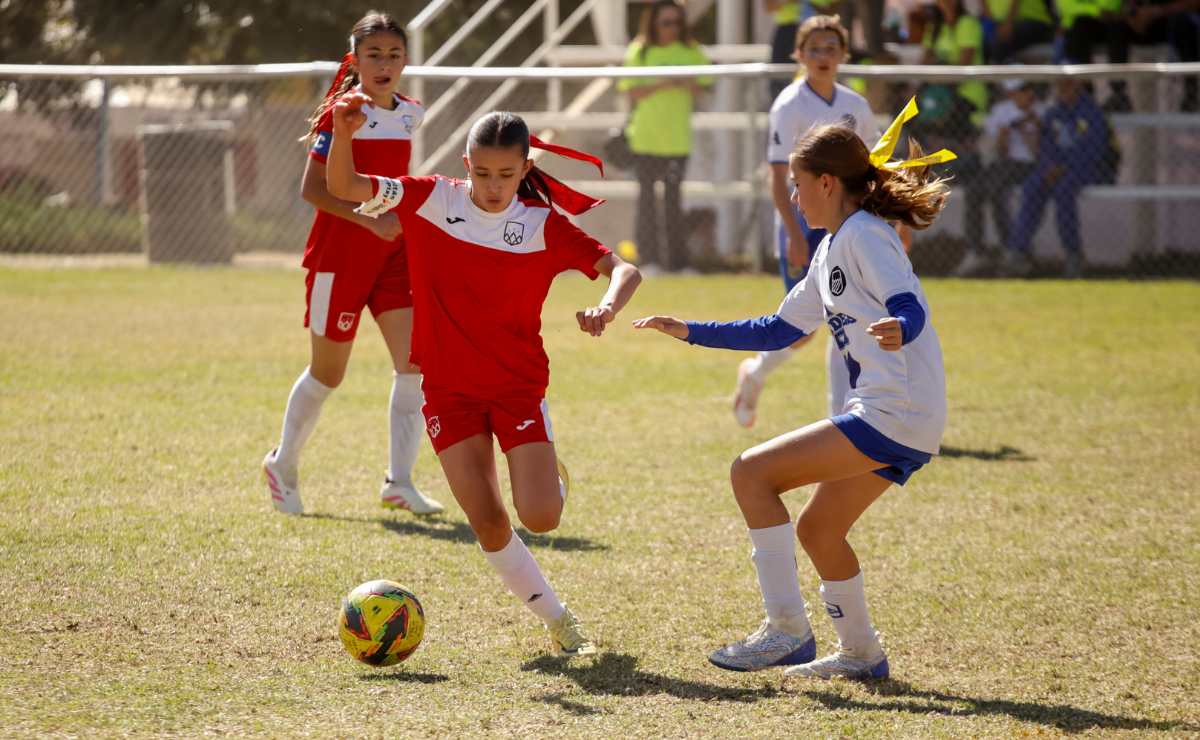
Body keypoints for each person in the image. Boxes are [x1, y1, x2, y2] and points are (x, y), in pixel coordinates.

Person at [634, 104, 951, 679]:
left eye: (797, 186)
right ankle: (861, 653)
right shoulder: (833, 246)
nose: (794, 198)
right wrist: (691, 331)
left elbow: (906, 299)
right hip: (902, 413)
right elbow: (778, 329)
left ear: (827, 183)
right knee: (817, 529)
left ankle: (785, 629)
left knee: (750, 474)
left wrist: (901, 325)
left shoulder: (864, 236)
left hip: (894, 410)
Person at [325, 98, 643, 656]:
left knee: (541, 517)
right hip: (447, 391)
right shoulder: (429, 198)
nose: (493, 186)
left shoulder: (542, 225)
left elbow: (623, 269)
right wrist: (343, 133)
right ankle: (559, 621)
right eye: (482, 172)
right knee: (489, 523)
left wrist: (609, 306)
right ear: (465, 162)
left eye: (506, 174)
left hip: (517, 386)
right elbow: (346, 186)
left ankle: (549, 472)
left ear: (525, 169)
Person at [262, 12, 443, 517]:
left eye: (394, 55)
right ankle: (282, 463)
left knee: (413, 365)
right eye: (374, 55)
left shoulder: (410, 112)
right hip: (339, 259)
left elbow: (399, 185)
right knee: (328, 374)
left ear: (406, 59)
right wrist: (369, 221)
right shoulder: (341, 114)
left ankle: (399, 482)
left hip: (393, 258)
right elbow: (312, 190)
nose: (384, 64)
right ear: (356, 60)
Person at [734, 15, 879, 429]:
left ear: (843, 55)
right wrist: (794, 234)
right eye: (814, 48)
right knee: (802, 330)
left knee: (846, 320)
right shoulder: (790, 105)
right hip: (804, 228)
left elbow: (875, 167)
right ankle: (756, 373)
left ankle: (844, 418)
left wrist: (892, 222)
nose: (822, 56)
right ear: (798, 55)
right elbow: (778, 176)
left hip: (848, 227)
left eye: (831, 48)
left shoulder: (856, 106)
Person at [617, 0, 713, 272]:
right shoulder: (640, 51)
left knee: (673, 203)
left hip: (677, 140)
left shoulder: (691, 51)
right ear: (654, 24)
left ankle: (678, 262)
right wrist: (665, 83)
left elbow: (704, 86)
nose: (672, 28)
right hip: (645, 138)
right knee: (646, 201)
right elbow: (630, 89)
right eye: (666, 22)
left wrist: (685, 82)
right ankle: (648, 260)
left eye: (676, 22)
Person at [1005, 79, 1109, 278]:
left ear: (1078, 85)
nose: (1062, 89)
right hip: (1054, 169)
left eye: (1067, 84)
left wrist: (1065, 166)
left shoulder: (1092, 113)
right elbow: (1045, 146)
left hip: (1085, 169)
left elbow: (1094, 151)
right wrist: (1049, 166)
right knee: (1032, 187)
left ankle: (1073, 255)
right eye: (1059, 85)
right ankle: (1017, 251)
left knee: (1064, 192)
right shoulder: (1054, 113)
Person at [956, 79, 1047, 276]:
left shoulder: (1042, 111)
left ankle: (1011, 249)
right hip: (1003, 163)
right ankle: (976, 250)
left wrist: (1029, 128)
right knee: (973, 191)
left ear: (1031, 92)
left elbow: (1039, 152)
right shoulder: (1002, 110)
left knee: (996, 192)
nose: (1016, 96)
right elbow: (997, 151)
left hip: (1030, 165)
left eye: (1022, 91)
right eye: (1013, 92)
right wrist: (1003, 137)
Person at [981, 0, 1056, 62]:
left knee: (1001, 40)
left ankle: (1004, 75)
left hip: (1037, 21)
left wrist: (1008, 23)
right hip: (1018, 22)